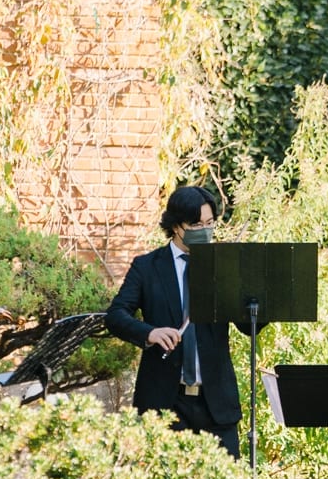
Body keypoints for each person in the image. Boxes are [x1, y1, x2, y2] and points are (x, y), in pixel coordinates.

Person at [105, 186, 252, 457]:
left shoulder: (221, 267)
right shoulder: (147, 267)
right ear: (175, 226)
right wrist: (149, 333)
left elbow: (247, 326)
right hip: (164, 402)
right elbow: (115, 316)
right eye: (196, 224)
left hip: (215, 403)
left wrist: (254, 297)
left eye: (209, 223)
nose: (204, 230)